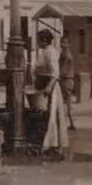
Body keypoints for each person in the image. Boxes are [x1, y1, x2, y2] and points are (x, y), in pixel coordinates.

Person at [34, 29, 69, 158]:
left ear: (44, 40)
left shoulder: (51, 53)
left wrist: (48, 88)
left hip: (50, 87)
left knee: (51, 116)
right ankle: (45, 143)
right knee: (43, 115)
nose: (36, 42)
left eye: (38, 39)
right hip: (41, 85)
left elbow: (55, 73)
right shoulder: (44, 52)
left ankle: (52, 144)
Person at [59, 36, 76, 131]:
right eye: (62, 42)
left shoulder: (66, 55)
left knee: (64, 103)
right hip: (68, 80)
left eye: (65, 42)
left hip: (66, 80)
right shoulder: (66, 54)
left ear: (69, 44)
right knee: (67, 103)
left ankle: (68, 123)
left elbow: (63, 71)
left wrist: (57, 77)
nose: (63, 44)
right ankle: (71, 123)